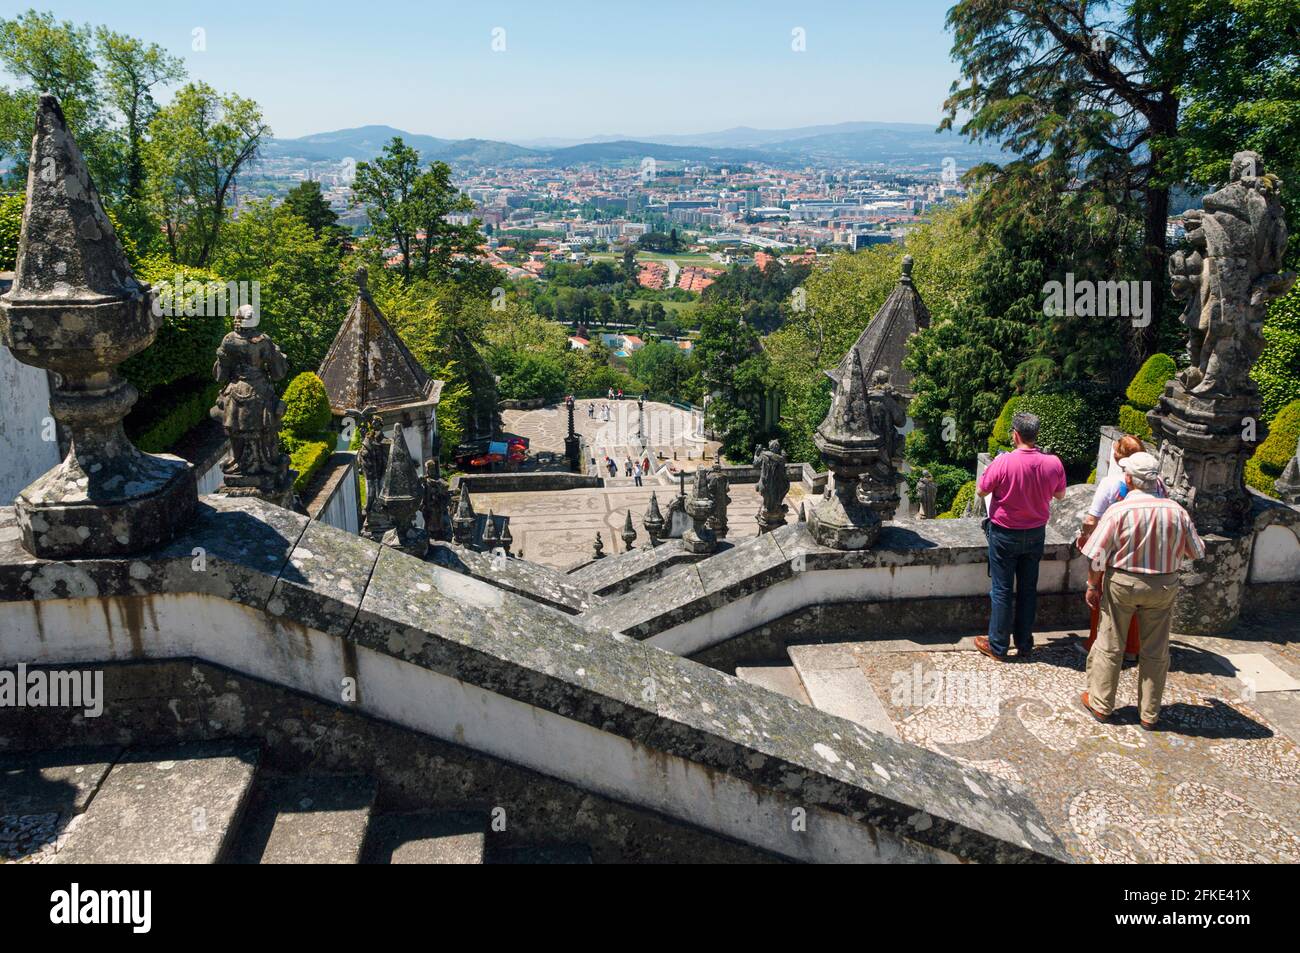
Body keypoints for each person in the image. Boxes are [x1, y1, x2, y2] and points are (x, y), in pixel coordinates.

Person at [1079, 452, 1204, 729]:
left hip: (1123, 583)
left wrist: (1092, 584)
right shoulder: (1176, 511)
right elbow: (1196, 551)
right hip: (1163, 585)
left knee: (1110, 643)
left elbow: (1097, 554)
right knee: (1156, 650)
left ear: (1128, 479)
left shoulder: (1119, 510)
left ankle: (1101, 704)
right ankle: (1149, 713)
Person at [974, 412, 1067, 661]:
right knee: (1028, 589)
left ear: (1015, 434)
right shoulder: (1053, 463)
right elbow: (1060, 495)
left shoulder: (1003, 462)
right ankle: (1025, 643)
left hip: (1005, 533)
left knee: (1002, 589)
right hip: (1036, 533)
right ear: (1035, 435)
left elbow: (982, 490)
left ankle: (998, 646)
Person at [1077, 435, 1166, 661]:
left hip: (1113, 550)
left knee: (1102, 599)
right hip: (1148, 551)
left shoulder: (1110, 483)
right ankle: (1132, 648)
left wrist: (1085, 536)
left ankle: (1096, 644)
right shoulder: (1159, 483)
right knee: (1137, 606)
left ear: (1118, 457)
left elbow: (1092, 520)